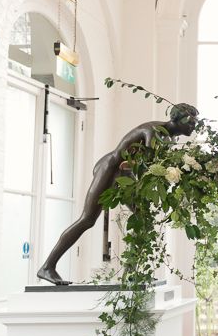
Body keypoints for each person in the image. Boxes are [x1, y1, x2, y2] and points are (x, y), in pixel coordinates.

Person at [36, 103, 199, 285]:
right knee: (87, 219)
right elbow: (148, 167)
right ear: (178, 119)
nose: (194, 126)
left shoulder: (170, 139)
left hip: (126, 174)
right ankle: (47, 267)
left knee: (144, 218)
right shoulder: (154, 131)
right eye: (191, 122)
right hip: (110, 169)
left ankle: (130, 273)